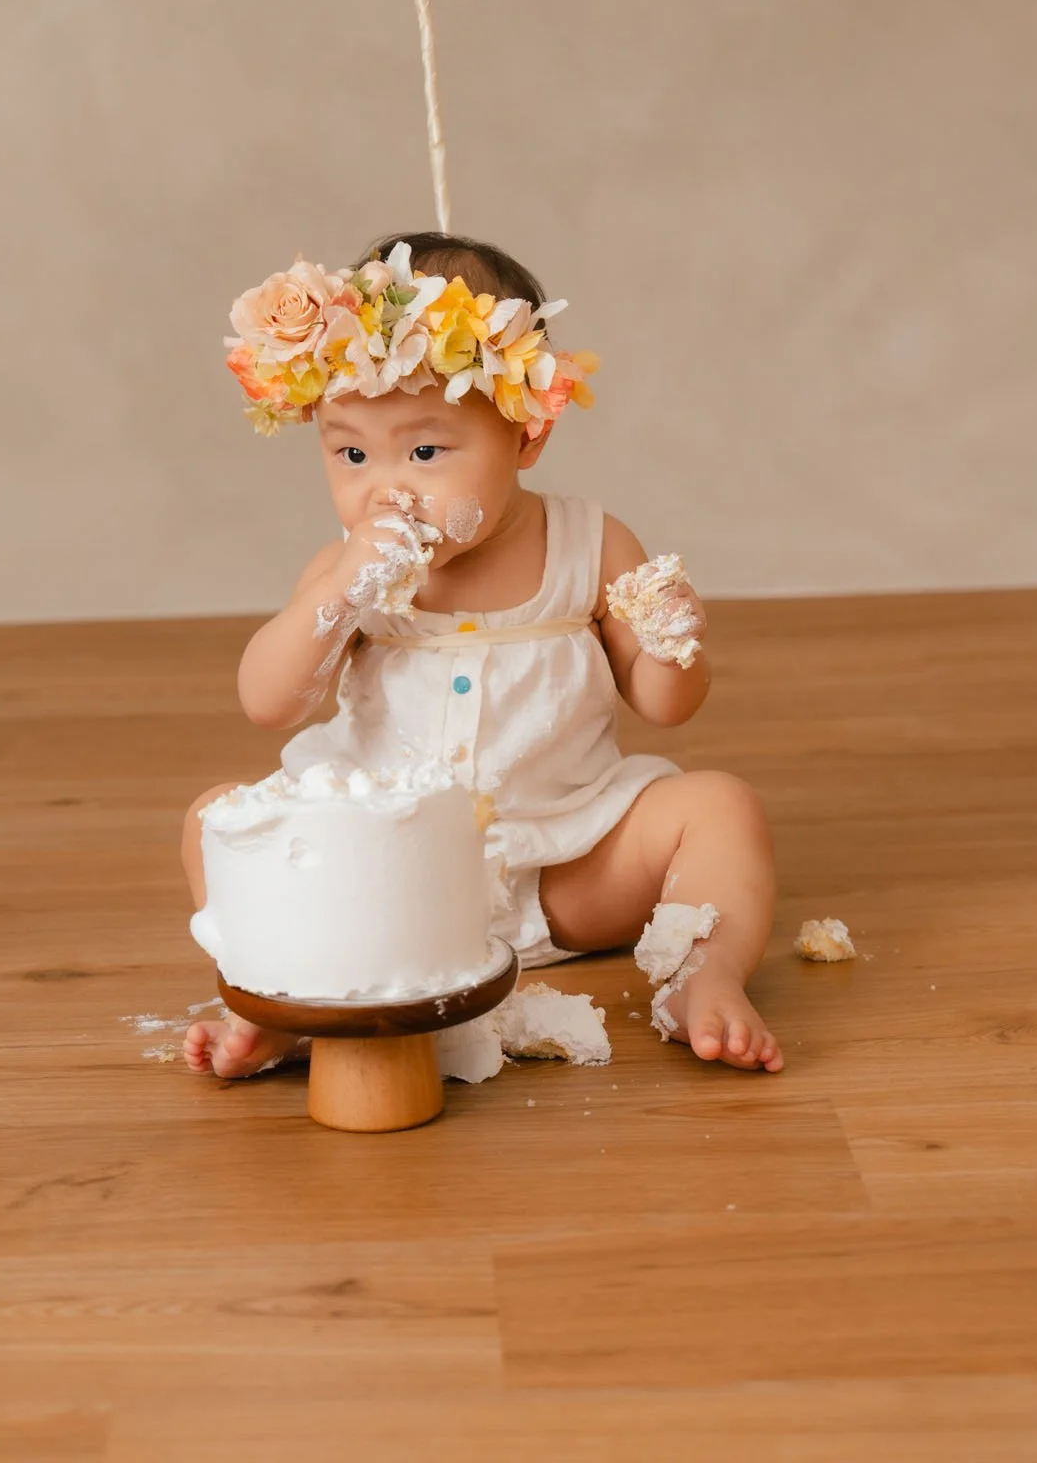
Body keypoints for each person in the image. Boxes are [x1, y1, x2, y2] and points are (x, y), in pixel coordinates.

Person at [184, 233, 781, 1079]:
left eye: (426, 452)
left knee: (720, 807)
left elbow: (666, 704)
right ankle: (285, 996)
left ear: (528, 433)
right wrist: (338, 598)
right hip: (374, 883)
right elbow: (268, 702)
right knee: (215, 820)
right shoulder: (344, 572)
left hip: (563, 869)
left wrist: (673, 641)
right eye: (351, 453)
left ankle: (702, 974)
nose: (386, 487)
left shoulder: (589, 543)